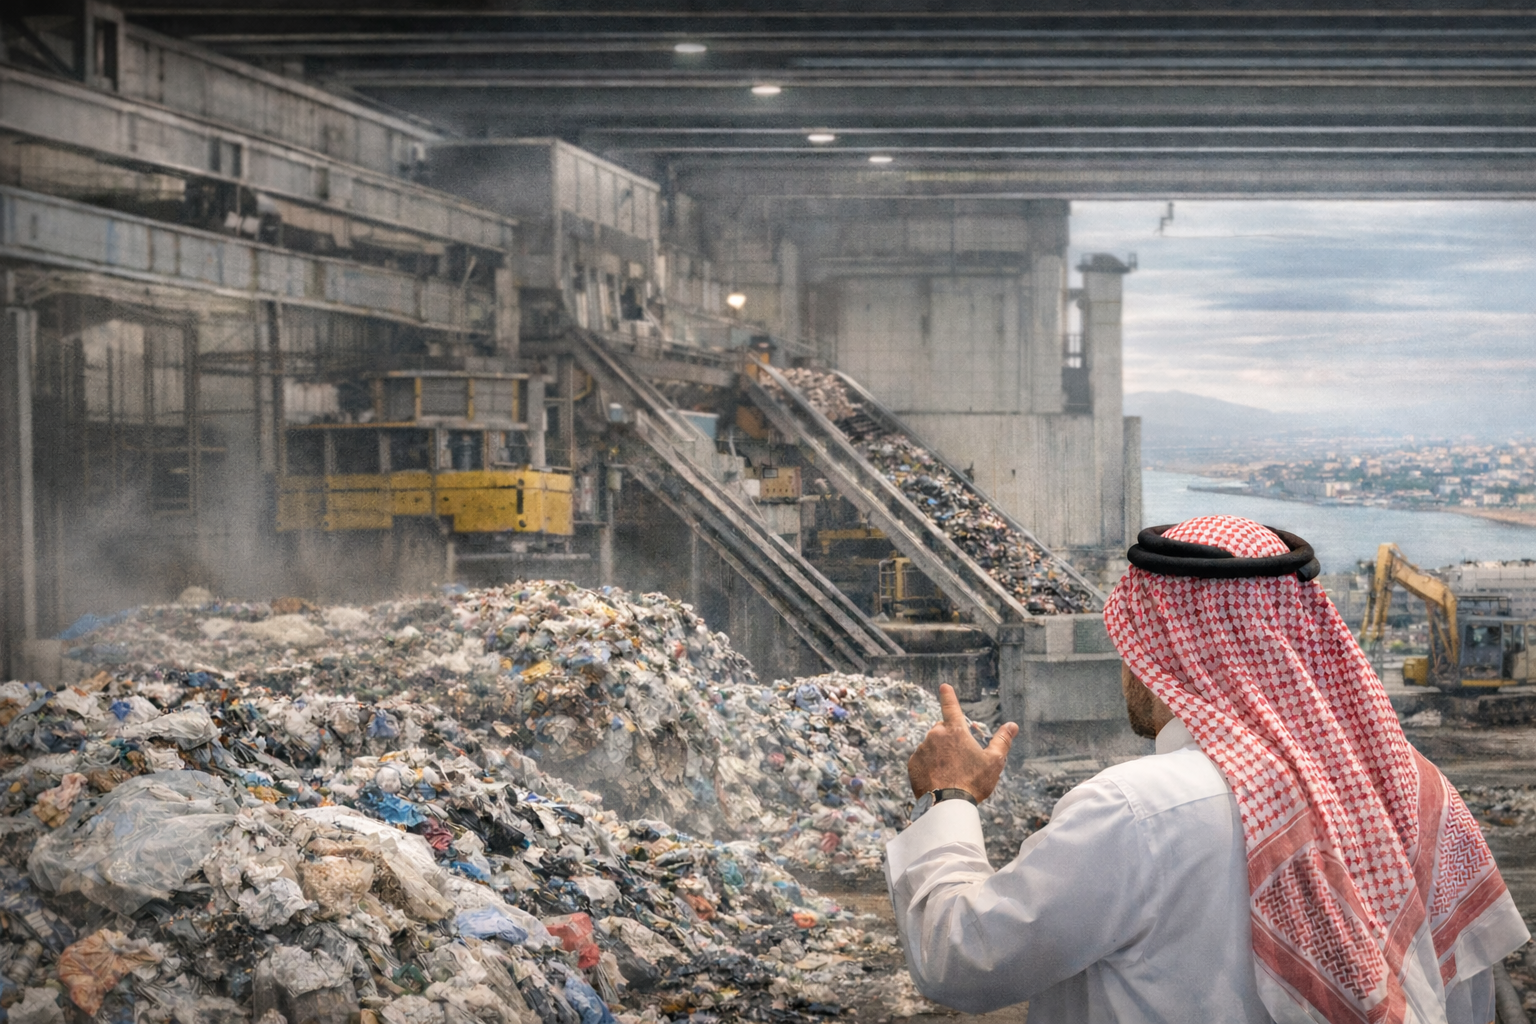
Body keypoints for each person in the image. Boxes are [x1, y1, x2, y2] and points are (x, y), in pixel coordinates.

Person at [886, 515, 1528, 1023]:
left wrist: (949, 797)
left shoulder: (1134, 812)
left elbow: (963, 960)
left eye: (1131, 642)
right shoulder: (1415, 789)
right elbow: (1458, 996)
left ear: (1160, 646)